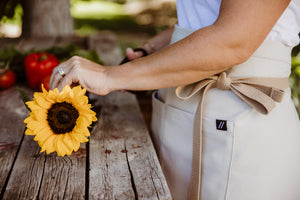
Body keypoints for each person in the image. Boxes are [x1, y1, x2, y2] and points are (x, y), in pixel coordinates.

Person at [50, 0, 300, 199]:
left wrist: (109, 75)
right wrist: (149, 51)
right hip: (183, 117)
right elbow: (203, 15)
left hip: (240, 127)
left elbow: (234, 40)